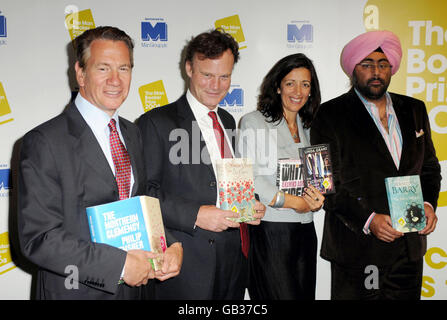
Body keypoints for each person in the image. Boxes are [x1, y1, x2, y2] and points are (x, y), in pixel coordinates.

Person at [17, 26, 182, 300]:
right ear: (80, 73)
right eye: (103, 68)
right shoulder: (44, 141)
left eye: (124, 68)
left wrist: (171, 245)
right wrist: (119, 265)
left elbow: (141, 201)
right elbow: (39, 238)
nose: (115, 80)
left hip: (137, 291)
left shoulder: (132, 133)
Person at [310, 30, 441, 300]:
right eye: (367, 64)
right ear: (352, 69)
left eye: (383, 64)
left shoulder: (415, 109)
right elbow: (321, 183)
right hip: (356, 251)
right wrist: (369, 220)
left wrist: (428, 204)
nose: (376, 72)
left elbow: (429, 167)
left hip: (409, 250)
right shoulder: (327, 114)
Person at [137, 29, 266, 300]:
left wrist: (251, 202)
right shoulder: (156, 123)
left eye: (224, 76)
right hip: (186, 263)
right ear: (188, 69)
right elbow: (144, 194)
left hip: (234, 257)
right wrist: (195, 214)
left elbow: (226, 180)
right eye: (207, 75)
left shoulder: (228, 120)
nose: (216, 85)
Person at [237, 53, 325, 300]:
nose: (298, 91)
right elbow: (251, 176)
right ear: (277, 86)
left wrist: (317, 199)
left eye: (305, 84)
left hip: (306, 230)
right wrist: (293, 202)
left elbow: (317, 179)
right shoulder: (254, 122)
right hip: (271, 231)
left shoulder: (309, 127)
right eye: (290, 83)